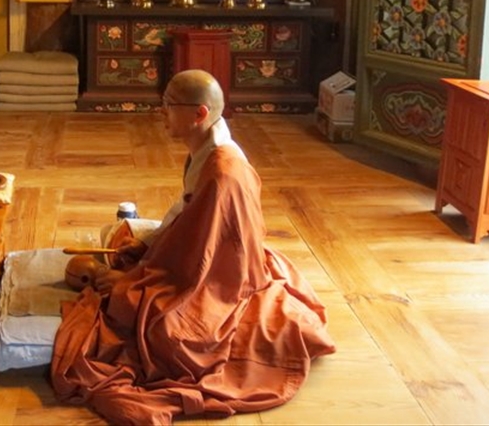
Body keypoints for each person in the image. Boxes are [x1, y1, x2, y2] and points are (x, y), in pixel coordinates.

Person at [51, 69, 336, 425]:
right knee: (125, 235)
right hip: (213, 248)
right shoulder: (210, 146)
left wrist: (136, 278)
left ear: (199, 114)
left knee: (155, 322)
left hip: (224, 274)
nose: (161, 112)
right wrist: (145, 244)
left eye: (169, 105)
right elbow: (187, 210)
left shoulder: (223, 171)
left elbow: (201, 258)